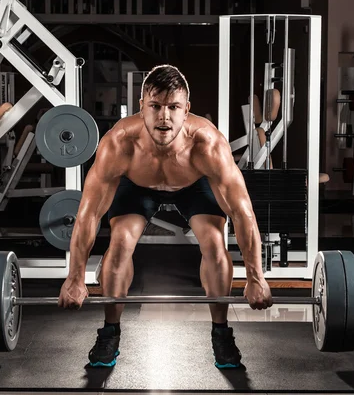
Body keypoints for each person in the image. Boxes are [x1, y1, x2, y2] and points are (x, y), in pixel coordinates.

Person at [58, 64, 273, 368]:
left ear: (187, 110)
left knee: (213, 242)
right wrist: (75, 277)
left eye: (173, 107)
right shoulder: (119, 143)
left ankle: (221, 332)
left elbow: (242, 212)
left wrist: (255, 277)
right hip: (137, 184)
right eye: (155, 106)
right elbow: (88, 215)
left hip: (192, 183)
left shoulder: (207, 144)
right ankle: (110, 331)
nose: (164, 116)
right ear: (141, 107)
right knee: (119, 243)